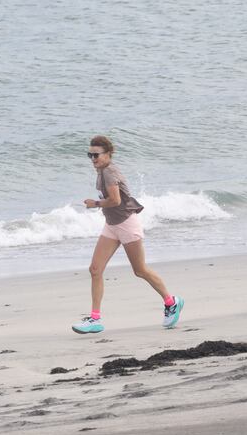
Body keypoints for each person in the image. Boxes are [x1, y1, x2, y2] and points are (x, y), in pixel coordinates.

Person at [71, 135, 184, 334]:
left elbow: (114, 200)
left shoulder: (109, 172)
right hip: (112, 225)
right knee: (95, 269)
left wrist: (94, 204)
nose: (93, 159)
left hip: (126, 225)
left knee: (140, 270)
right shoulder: (102, 171)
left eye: (96, 155)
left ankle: (171, 301)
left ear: (108, 154)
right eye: (90, 155)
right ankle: (95, 319)